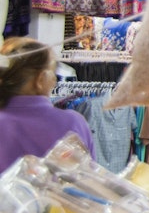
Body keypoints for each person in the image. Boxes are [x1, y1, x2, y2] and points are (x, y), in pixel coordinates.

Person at [0, 38, 94, 173]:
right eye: (53, 72)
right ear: (40, 79)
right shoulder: (72, 122)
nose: (55, 80)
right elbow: (89, 181)